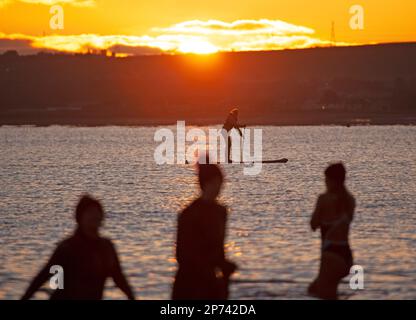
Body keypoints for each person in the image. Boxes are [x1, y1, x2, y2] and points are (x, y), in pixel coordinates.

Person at [21, 195, 135, 300]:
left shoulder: (106, 247)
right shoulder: (68, 248)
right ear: (79, 218)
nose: (94, 215)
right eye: (89, 212)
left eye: (97, 212)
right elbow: (44, 276)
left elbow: (119, 279)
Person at [172, 163, 237, 300]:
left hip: (212, 284)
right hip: (189, 285)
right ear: (206, 184)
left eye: (221, 182)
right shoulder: (188, 214)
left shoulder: (221, 212)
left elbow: (219, 251)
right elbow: (182, 256)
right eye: (217, 182)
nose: (220, 187)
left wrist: (223, 266)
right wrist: (210, 265)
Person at [308, 163, 356, 299]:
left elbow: (313, 225)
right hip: (346, 256)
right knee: (314, 290)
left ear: (332, 181)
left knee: (324, 295)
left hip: (331, 255)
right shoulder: (350, 200)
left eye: (326, 179)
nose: (325, 182)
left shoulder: (324, 199)